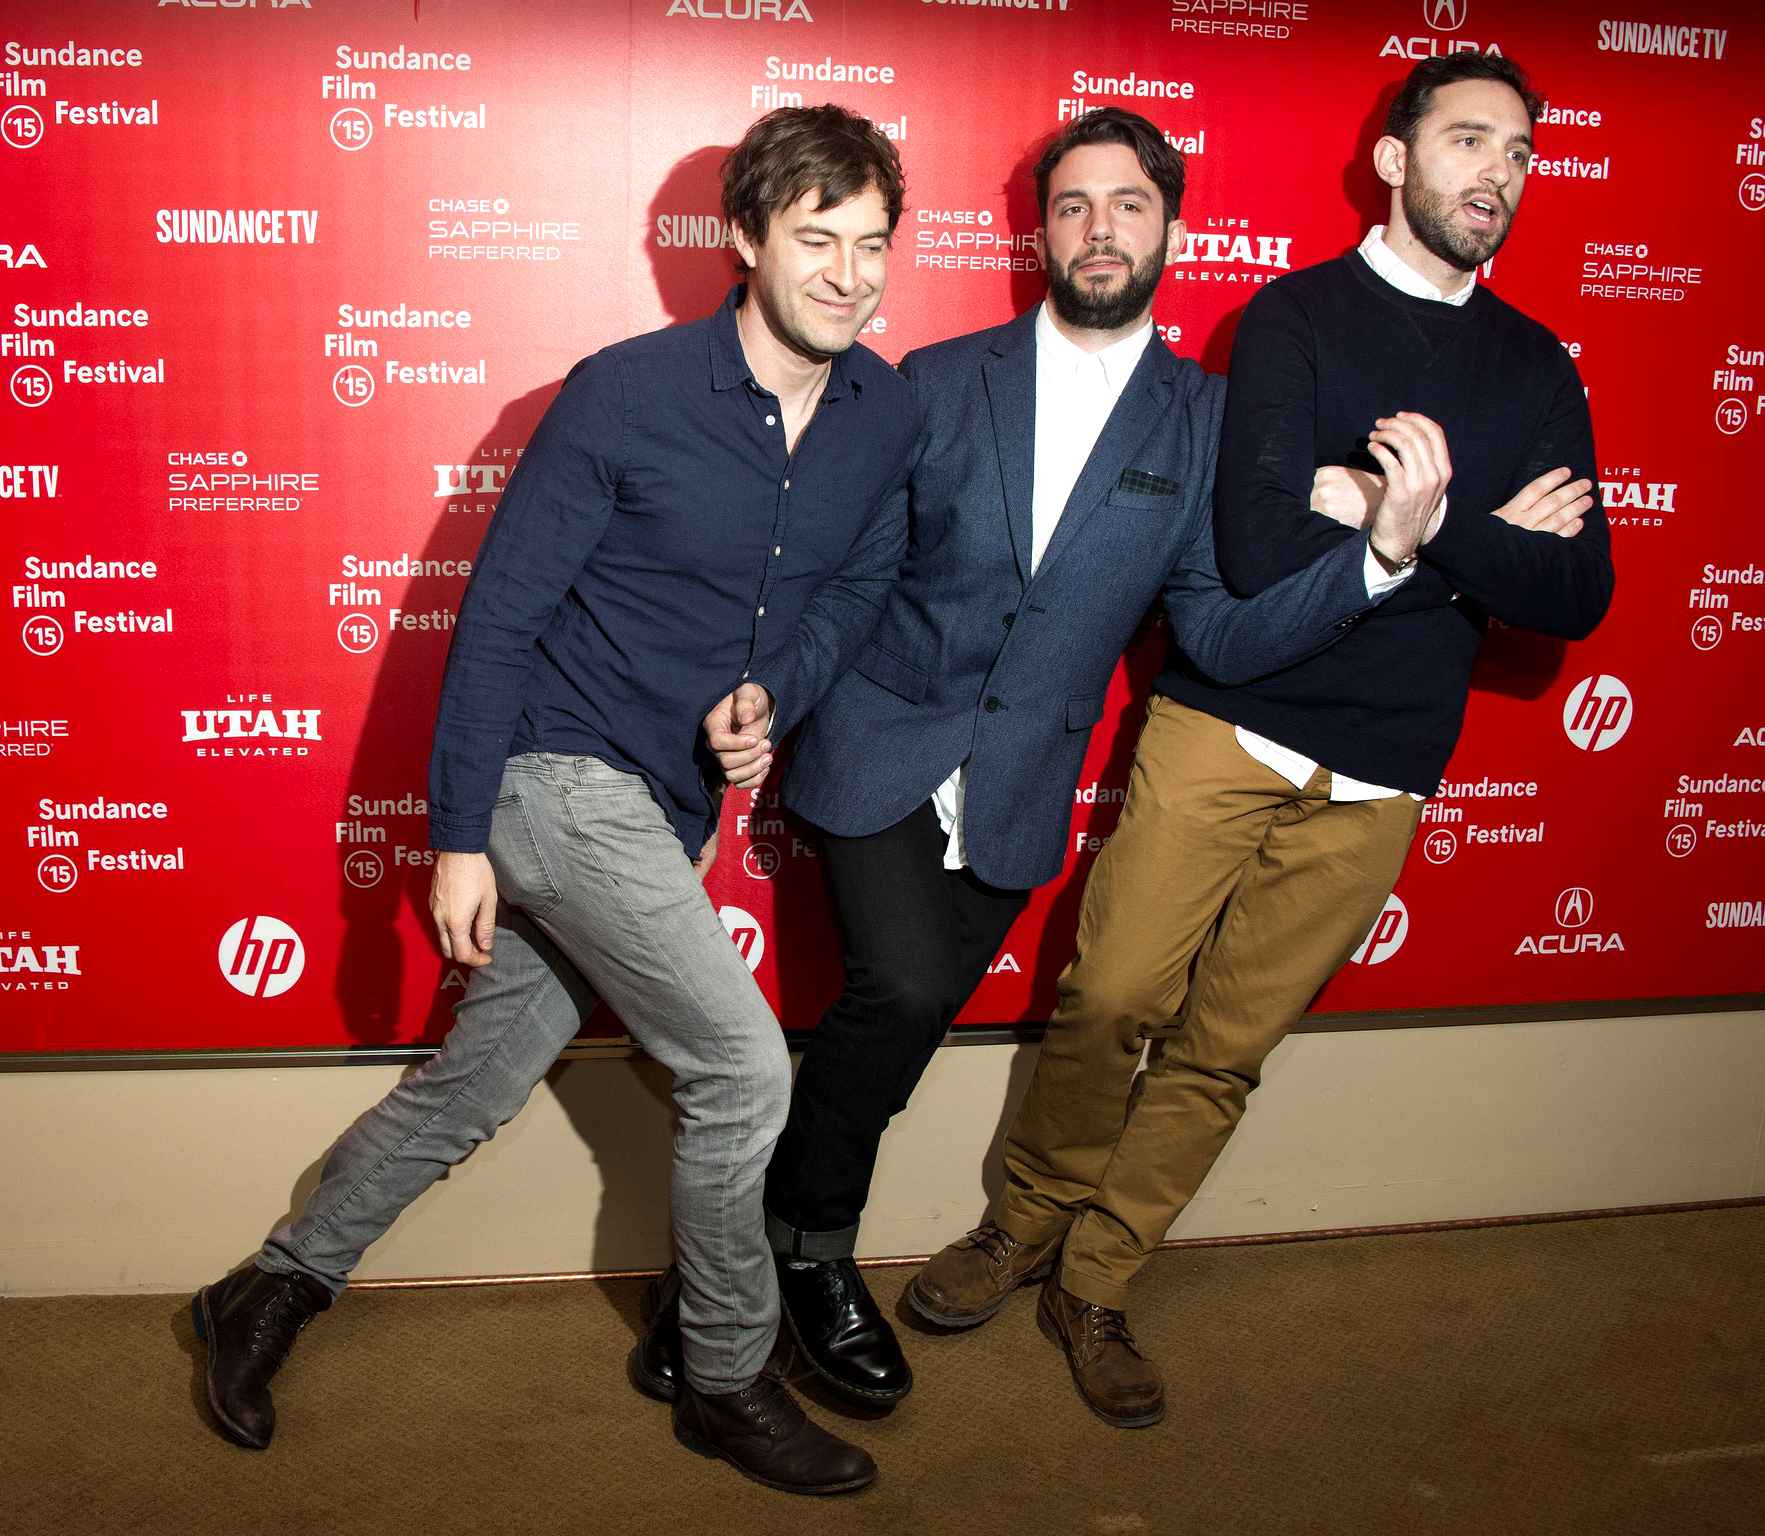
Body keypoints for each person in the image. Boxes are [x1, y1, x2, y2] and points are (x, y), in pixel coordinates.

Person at [190, 104, 921, 1497]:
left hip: (663, 802)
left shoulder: (884, 411)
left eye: (871, 242)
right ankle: (723, 1376)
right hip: (549, 776)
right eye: (815, 238)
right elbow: (502, 617)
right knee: (743, 1068)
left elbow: (853, 589)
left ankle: (268, 1287)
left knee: (474, 1079)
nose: (846, 271)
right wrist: (461, 835)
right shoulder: (626, 392)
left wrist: (777, 689)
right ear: (745, 239)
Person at [695, 107, 1447, 1412]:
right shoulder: (934, 377)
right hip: (878, 741)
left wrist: (1376, 561)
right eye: (1072, 206)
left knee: (900, 1013)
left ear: (1168, 226)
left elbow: (1209, 621)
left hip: (1018, 790)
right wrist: (775, 686)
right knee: (907, 989)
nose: (1099, 231)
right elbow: (847, 577)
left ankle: (738, 1264)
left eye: (1128, 206)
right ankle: (805, 1258)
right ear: (1037, 230)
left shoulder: (1203, 419)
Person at [913, 53, 1613, 1430]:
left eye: (1519, 152)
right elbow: (1255, 542)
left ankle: (1098, 1278)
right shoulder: (1291, 318)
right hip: (1228, 725)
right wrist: (1467, 542)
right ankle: (1024, 1222)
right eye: (1466, 141)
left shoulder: (1533, 364)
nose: (1495, 173)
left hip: (1387, 768)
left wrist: (1408, 516)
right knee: (1112, 995)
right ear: (1393, 161)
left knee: (1222, 1050)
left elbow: (1575, 593)